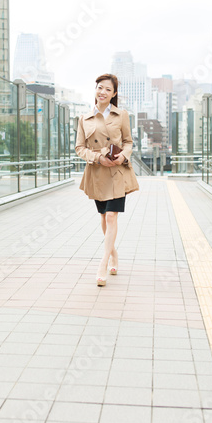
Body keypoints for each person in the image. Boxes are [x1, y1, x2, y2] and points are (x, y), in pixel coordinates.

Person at [75, 73, 139, 287]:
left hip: (117, 171)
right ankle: (114, 255)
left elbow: (129, 141)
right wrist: (97, 158)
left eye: (107, 89)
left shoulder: (121, 115)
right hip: (97, 172)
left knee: (112, 216)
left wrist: (123, 155)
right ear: (95, 90)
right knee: (104, 218)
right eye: (100, 87)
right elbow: (79, 148)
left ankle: (103, 262)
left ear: (114, 94)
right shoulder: (84, 118)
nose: (102, 92)